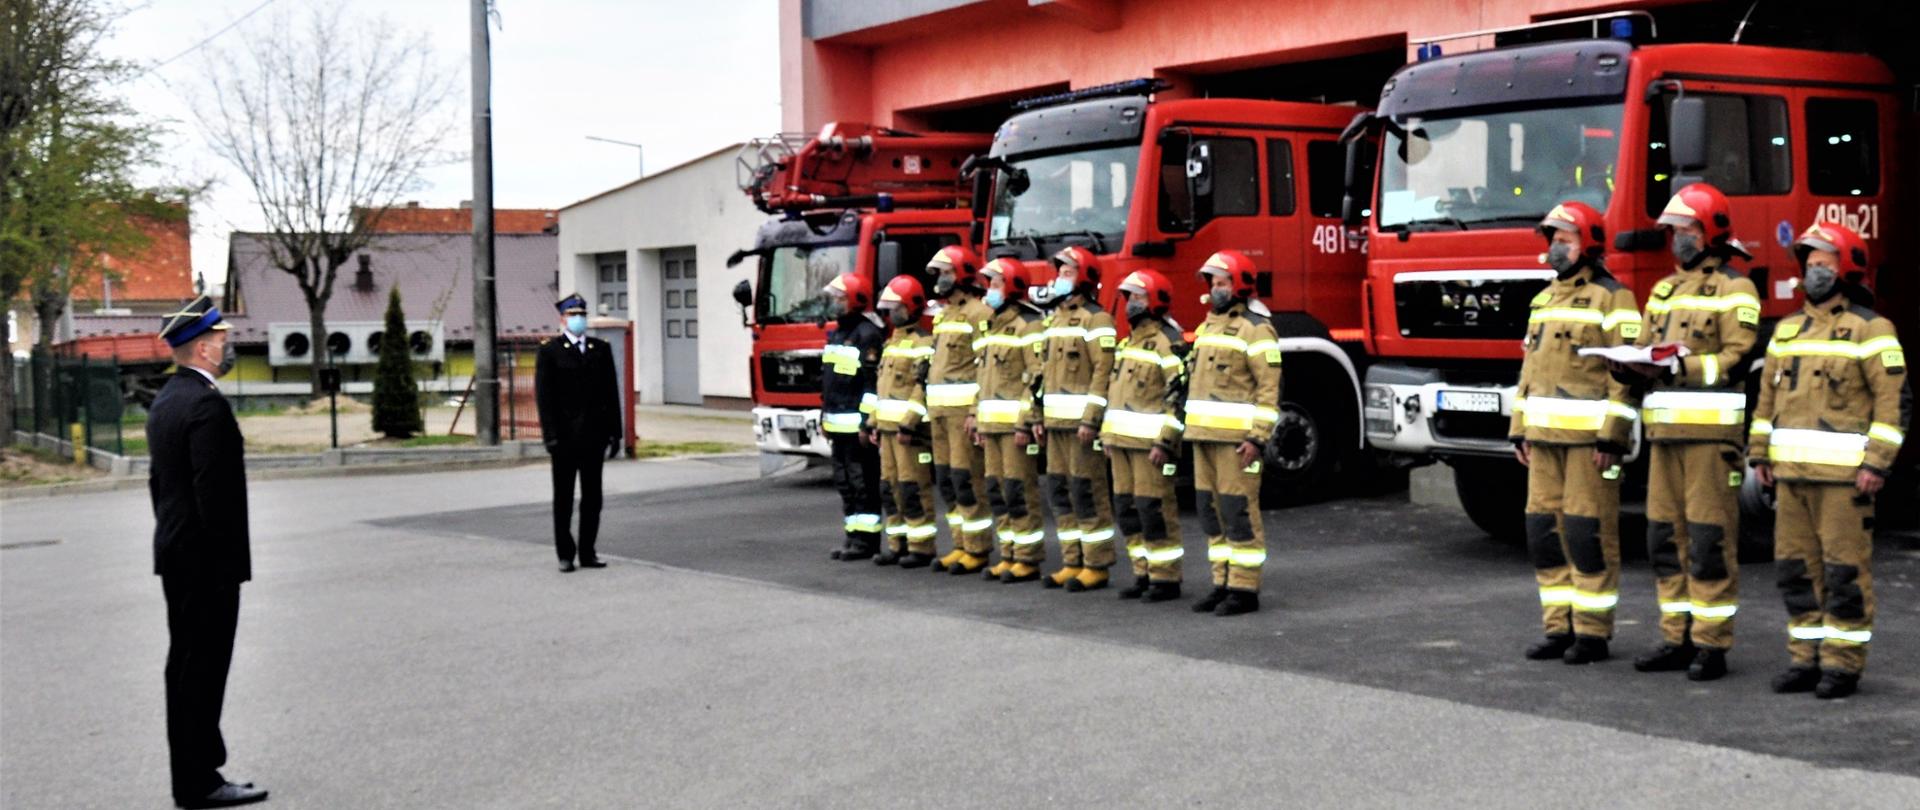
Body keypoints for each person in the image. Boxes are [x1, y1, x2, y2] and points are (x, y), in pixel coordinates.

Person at [1749, 222, 1907, 699]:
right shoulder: (1787, 330)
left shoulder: (1872, 329)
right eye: (1810, 263)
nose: (1815, 271)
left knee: (1843, 574)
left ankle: (1842, 664)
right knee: (1795, 571)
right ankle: (1805, 658)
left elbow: (1893, 403)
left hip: (1845, 481)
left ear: (1848, 269)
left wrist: (1876, 464)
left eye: (1825, 263)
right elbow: (1765, 401)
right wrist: (1760, 453)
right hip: (1792, 477)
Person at [1620, 182, 1761, 681]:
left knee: (1707, 542)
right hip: (1665, 439)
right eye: (1672, 230)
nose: (1675, 238)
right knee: (1664, 540)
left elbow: (1737, 355)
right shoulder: (1662, 290)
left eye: (1683, 229)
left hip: (1709, 441)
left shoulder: (1735, 288)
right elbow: (1642, 346)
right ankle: (1674, 638)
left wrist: (1680, 369)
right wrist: (1629, 369)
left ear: (1710, 231)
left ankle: (1711, 644)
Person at [148, 295, 269, 809]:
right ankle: (199, 782)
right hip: (206, 565)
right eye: (221, 338)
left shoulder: (167, 399)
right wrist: (225, 569)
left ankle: (196, 773)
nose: (228, 344)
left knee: (186, 667)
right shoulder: (205, 405)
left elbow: (162, 488)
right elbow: (212, 496)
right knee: (201, 671)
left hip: (177, 555)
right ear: (201, 348)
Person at [1509, 202, 1641, 664]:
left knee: (1588, 535)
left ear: (1589, 243)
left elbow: (1624, 375)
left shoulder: (1613, 298)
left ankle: (1592, 633)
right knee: (1543, 534)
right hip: (1543, 443)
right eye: (1553, 239)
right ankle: (1557, 628)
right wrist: (1519, 429)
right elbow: (1531, 372)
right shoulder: (1543, 300)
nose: (1556, 247)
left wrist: (1613, 437)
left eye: (1565, 238)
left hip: (1590, 447)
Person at [1185, 250, 1282, 617]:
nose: (1215, 288)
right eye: (1212, 282)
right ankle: (1222, 583)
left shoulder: (1256, 328)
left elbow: (1268, 389)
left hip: (1237, 444)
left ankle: (1244, 589)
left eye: (1222, 282)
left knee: (1239, 513)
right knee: (1213, 514)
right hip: (1204, 439)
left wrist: (1258, 437)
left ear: (1239, 284)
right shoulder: (1208, 326)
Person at [1101, 269, 1188, 602]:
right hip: (1121, 444)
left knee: (1154, 510)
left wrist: (1166, 441)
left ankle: (1165, 578)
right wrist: (1107, 435)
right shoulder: (1128, 342)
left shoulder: (1168, 342)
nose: (1131, 304)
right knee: (1127, 509)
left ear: (1155, 301)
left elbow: (1178, 395)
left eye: (1138, 297)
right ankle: (1143, 572)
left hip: (1150, 448)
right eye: (1129, 298)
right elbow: (1115, 394)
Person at [1036, 246, 1120, 591]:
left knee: (1088, 491)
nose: (1059, 278)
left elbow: (1103, 371)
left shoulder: (1096, 319)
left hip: (1080, 428)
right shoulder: (1054, 319)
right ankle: (1072, 561)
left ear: (1084, 277)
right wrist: (1036, 416)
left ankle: (1096, 564)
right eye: (1059, 272)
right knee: (1060, 491)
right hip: (1055, 426)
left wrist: (1091, 419)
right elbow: (1041, 375)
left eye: (1067, 272)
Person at [535, 293, 624, 572]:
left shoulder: (600, 348)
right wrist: (550, 436)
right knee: (563, 499)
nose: (579, 320)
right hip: (564, 439)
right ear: (562, 319)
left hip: (594, 437)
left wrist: (615, 433)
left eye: (582, 315)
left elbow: (611, 393)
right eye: (573, 315)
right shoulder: (550, 351)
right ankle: (565, 553)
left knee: (592, 498)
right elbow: (545, 397)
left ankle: (588, 551)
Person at [923, 247, 998, 574]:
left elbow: (985, 367)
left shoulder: (979, 314)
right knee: (948, 481)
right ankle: (960, 543)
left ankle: (977, 548)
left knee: (967, 480)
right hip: (939, 413)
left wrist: (974, 411)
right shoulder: (943, 316)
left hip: (961, 416)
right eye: (938, 274)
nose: (941, 280)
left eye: (946, 273)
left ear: (962, 274)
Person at [975, 258, 1050, 583]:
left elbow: (1036, 376)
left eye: (995, 283)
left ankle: (1027, 557)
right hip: (991, 426)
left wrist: (1026, 421)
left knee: (1019, 491)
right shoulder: (993, 325)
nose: (989, 291)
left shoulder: (1028, 324)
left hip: (1013, 428)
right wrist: (977, 419)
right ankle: (1008, 553)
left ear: (1012, 286)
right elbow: (983, 379)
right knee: (997, 490)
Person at [868, 275, 939, 567]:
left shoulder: (924, 343)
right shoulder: (891, 342)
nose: (891, 313)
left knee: (912, 487)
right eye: (888, 307)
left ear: (911, 306)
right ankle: (897, 544)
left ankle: (921, 547)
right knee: (890, 489)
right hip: (886, 431)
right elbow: (882, 389)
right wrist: (874, 421)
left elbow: (921, 388)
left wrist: (909, 422)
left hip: (907, 433)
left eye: (896, 306)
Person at [818, 273, 887, 561]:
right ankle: (852, 536)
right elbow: (830, 380)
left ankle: (867, 542)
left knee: (863, 485)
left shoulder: (867, 334)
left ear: (855, 300)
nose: (835, 303)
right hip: (836, 423)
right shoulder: (836, 334)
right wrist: (824, 415)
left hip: (855, 428)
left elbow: (872, 386)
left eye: (840, 297)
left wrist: (865, 422)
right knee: (845, 485)